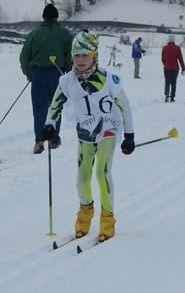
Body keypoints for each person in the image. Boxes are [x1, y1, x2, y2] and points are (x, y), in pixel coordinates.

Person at [43, 32, 135, 242]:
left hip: (108, 131)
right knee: (82, 178)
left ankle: (107, 218)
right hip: (85, 134)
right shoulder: (66, 81)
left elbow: (125, 106)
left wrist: (129, 135)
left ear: (94, 55)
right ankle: (85, 213)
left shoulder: (109, 79)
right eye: (76, 56)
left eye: (85, 55)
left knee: (102, 174)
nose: (80, 60)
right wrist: (49, 126)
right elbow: (55, 106)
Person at [19, 3, 73, 154]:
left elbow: (24, 57)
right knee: (56, 107)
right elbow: (71, 57)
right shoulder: (65, 34)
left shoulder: (34, 35)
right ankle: (54, 139)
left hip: (38, 75)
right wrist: (68, 74)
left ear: (43, 17)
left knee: (39, 109)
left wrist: (29, 73)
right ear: (56, 17)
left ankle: (39, 141)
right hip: (58, 75)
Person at [161, 34, 185, 102]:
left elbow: (162, 58)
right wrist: (183, 68)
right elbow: (180, 59)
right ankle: (172, 98)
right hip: (175, 68)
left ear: (168, 40)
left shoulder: (164, 48)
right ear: (174, 40)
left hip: (166, 68)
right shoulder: (177, 48)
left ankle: (166, 96)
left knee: (167, 82)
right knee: (174, 83)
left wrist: (165, 64)